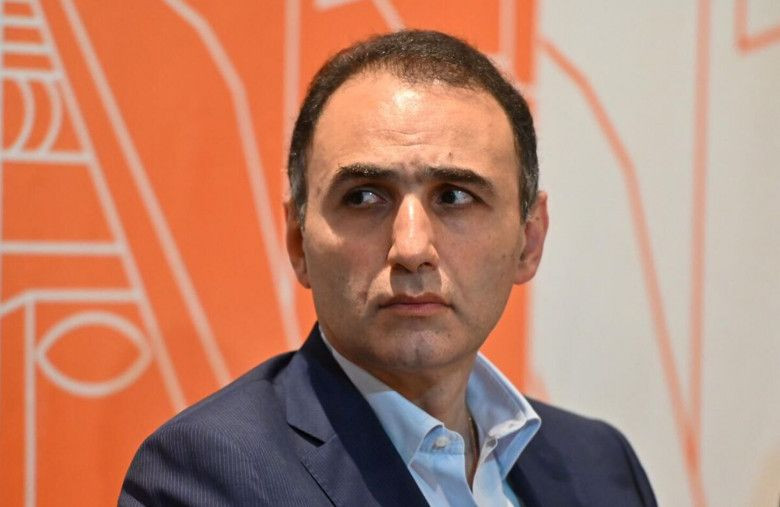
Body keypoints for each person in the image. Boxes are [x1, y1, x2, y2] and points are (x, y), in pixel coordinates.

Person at [119, 30, 657, 506]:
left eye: (454, 196)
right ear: (298, 242)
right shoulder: (208, 475)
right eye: (364, 197)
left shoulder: (601, 465)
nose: (411, 247)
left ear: (529, 241)